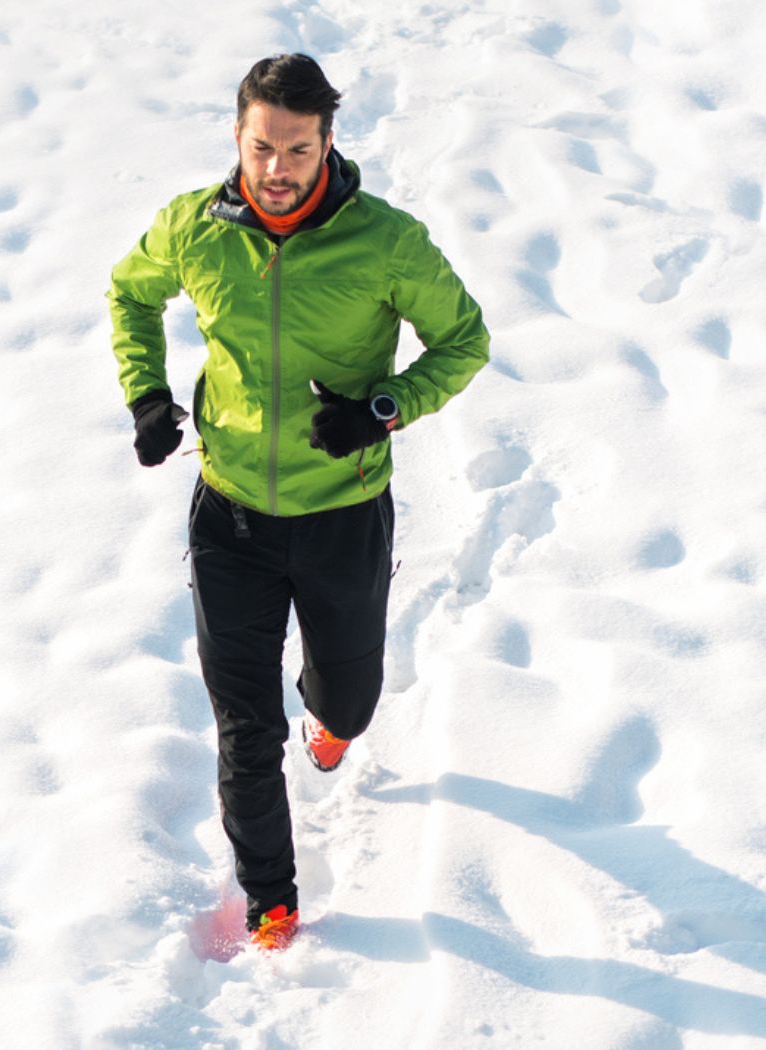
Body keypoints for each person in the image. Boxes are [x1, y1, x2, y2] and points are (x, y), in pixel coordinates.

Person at [107, 53, 490, 952]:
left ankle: (334, 723)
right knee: (245, 726)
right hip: (229, 513)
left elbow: (463, 340)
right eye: (261, 147)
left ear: (328, 144)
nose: (277, 170)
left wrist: (384, 409)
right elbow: (130, 292)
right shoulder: (195, 227)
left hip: (342, 516)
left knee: (348, 700)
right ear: (238, 137)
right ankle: (270, 896)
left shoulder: (386, 241)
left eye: (298, 150)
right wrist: (147, 395)